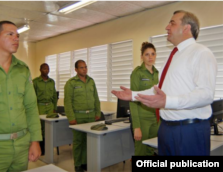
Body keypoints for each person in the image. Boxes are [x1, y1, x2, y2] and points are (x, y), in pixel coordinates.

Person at [112, 10, 217, 156]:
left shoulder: (201, 53)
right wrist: (133, 95)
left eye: (172, 23)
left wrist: (167, 101)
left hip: (188, 130)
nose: (167, 27)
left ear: (186, 28)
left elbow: (206, 95)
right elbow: (160, 91)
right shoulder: (173, 56)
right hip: (167, 129)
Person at [0, 21, 42, 172]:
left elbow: (30, 107)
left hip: (21, 146)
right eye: (10, 34)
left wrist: (35, 140)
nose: (16, 38)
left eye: (17, 35)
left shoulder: (23, 70)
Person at [64, 60, 101, 172]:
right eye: (81, 67)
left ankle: (85, 162)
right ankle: (78, 165)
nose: (84, 69)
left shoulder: (91, 81)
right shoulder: (71, 83)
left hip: (91, 116)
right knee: (78, 142)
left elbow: (96, 98)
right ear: (76, 70)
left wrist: (97, 112)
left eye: (85, 67)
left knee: (87, 141)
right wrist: (71, 118)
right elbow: (68, 102)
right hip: (78, 117)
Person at [129, 42, 159, 156]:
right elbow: (133, 99)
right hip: (142, 119)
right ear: (142, 57)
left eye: (153, 54)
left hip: (155, 118)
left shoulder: (157, 73)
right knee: (141, 152)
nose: (150, 57)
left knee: (151, 150)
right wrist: (136, 126)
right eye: (147, 54)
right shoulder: (137, 73)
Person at [33, 63, 58, 155]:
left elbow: (55, 96)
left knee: (50, 128)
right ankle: (41, 148)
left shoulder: (52, 82)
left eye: (48, 69)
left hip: (50, 106)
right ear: (40, 70)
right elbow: (33, 97)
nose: (46, 70)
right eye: (44, 69)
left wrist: (54, 108)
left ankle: (49, 147)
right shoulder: (35, 81)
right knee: (41, 128)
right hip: (40, 106)